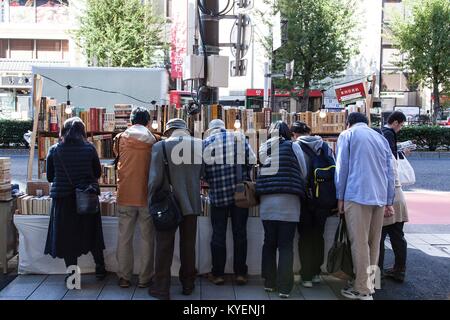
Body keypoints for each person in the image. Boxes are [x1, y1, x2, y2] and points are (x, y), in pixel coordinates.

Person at [335, 112, 395, 300]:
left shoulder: (348, 135)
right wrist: (389, 200)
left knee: (359, 243)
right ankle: (371, 285)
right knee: (373, 243)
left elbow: (342, 167)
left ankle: (362, 289)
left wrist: (340, 197)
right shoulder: (380, 138)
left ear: (348, 123)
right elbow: (390, 171)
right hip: (379, 197)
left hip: (357, 194)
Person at [44, 117, 106, 282]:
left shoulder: (54, 150)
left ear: (63, 132)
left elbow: (50, 177)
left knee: (68, 239)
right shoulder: (89, 149)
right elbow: (97, 173)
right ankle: (100, 269)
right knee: (92, 234)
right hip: (86, 197)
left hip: (63, 201)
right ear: (83, 132)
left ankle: (73, 276)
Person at [148, 118, 203, 300]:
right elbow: (202, 174)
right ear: (185, 130)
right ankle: (188, 284)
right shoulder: (200, 145)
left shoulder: (160, 147)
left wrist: (150, 201)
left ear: (168, 131)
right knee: (188, 246)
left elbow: (154, 180)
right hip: (192, 204)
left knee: (164, 247)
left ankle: (161, 289)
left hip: (167, 205)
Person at [256, 121, 307, 298]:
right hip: (289, 203)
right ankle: (285, 288)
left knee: (269, 243)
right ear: (288, 132)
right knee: (286, 246)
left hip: (267, 203)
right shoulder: (294, 147)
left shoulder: (263, 148)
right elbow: (303, 171)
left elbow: (259, 171)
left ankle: (269, 283)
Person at [203, 119, 256, 286]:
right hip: (240, 194)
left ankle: (218, 274)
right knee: (240, 233)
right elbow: (253, 160)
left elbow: (202, 173)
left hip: (218, 195)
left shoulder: (205, 144)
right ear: (224, 128)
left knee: (218, 234)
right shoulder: (238, 138)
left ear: (211, 130)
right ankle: (240, 273)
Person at [114, 107, 157, 288]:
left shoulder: (120, 139)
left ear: (131, 121)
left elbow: (118, 158)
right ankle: (145, 278)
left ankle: (125, 277)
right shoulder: (154, 141)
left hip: (125, 194)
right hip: (146, 194)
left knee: (124, 237)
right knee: (148, 238)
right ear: (148, 122)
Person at [290, 121, 336, 288]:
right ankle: (316, 273)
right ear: (309, 132)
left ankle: (306, 276)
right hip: (323, 199)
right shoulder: (324, 146)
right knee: (319, 236)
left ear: (294, 134)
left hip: (304, 199)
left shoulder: (295, 147)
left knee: (305, 237)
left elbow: (298, 173)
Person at [377, 111, 409, 282]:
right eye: (401, 124)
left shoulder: (381, 156)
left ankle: (377, 275)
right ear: (396, 122)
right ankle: (399, 270)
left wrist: (387, 203)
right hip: (398, 197)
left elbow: (385, 180)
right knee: (397, 235)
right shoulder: (388, 139)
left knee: (378, 238)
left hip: (388, 199)